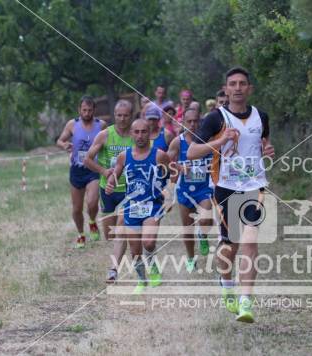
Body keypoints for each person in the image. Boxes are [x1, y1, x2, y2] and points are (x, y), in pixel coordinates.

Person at [188, 67, 275, 323]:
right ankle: (227, 284)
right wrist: (219, 141)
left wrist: (268, 150)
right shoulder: (215, 119)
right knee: (230, 247)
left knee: (249, 242)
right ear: (225, 89)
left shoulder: (261, 116)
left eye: (242, 84)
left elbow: (264, 143)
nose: (237, 88)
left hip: (255, 187)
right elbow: (192, 152)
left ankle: (246, 302)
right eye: (232, 84)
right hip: (225, 188)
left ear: (250, 89)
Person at [105, 119, 174, 294]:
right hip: (132, 208)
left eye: (144, 132)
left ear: (149, 134)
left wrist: (169, 193)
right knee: (135, 251)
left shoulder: (158, 154)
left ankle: (154, 268)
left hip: (153, 205)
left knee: (148, 242)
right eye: (136, 132)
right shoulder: (124, 156)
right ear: (131, 134)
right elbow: (115, 174)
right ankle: (142, 280)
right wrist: (110, 183)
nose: (140, 136)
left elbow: (174, 170)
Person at [84, 99, 133, 283]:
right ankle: (117, 253)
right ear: (114, 116)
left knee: (122, 229)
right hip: (108, 190)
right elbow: (87, 159)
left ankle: (113, 270)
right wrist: (104, 171)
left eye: (125, 115)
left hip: (129, 191)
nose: (122, 119)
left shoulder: (136, 136)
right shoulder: (105, 135)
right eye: (119, 115)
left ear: (131, 116)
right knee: (110, 234)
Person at [57, 95, 107, 248]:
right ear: (79, 110)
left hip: (93, 169)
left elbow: (108, 142)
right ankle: (81, 234)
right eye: (84, 110)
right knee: (77, 208)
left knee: (92, 202)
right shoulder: (73, 124)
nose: (86, 113)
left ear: (94, 110)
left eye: (89, 110)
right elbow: (59, 140)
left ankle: (92, 221)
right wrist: (64, 145)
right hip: (77, 170)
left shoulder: (102, 125)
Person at [167, 108, 213, 272]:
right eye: (189, 121)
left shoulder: (208, 139)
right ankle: (191, 258)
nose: (193, 125)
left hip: (204, 188)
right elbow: (166, 160)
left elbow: (220, 158)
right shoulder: (178, 142)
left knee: (205, 220)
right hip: (185, 189)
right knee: (187, 228)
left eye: (196, 121)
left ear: (200, 121)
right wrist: (179, 166)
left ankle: (203, 234)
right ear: (183, 123)